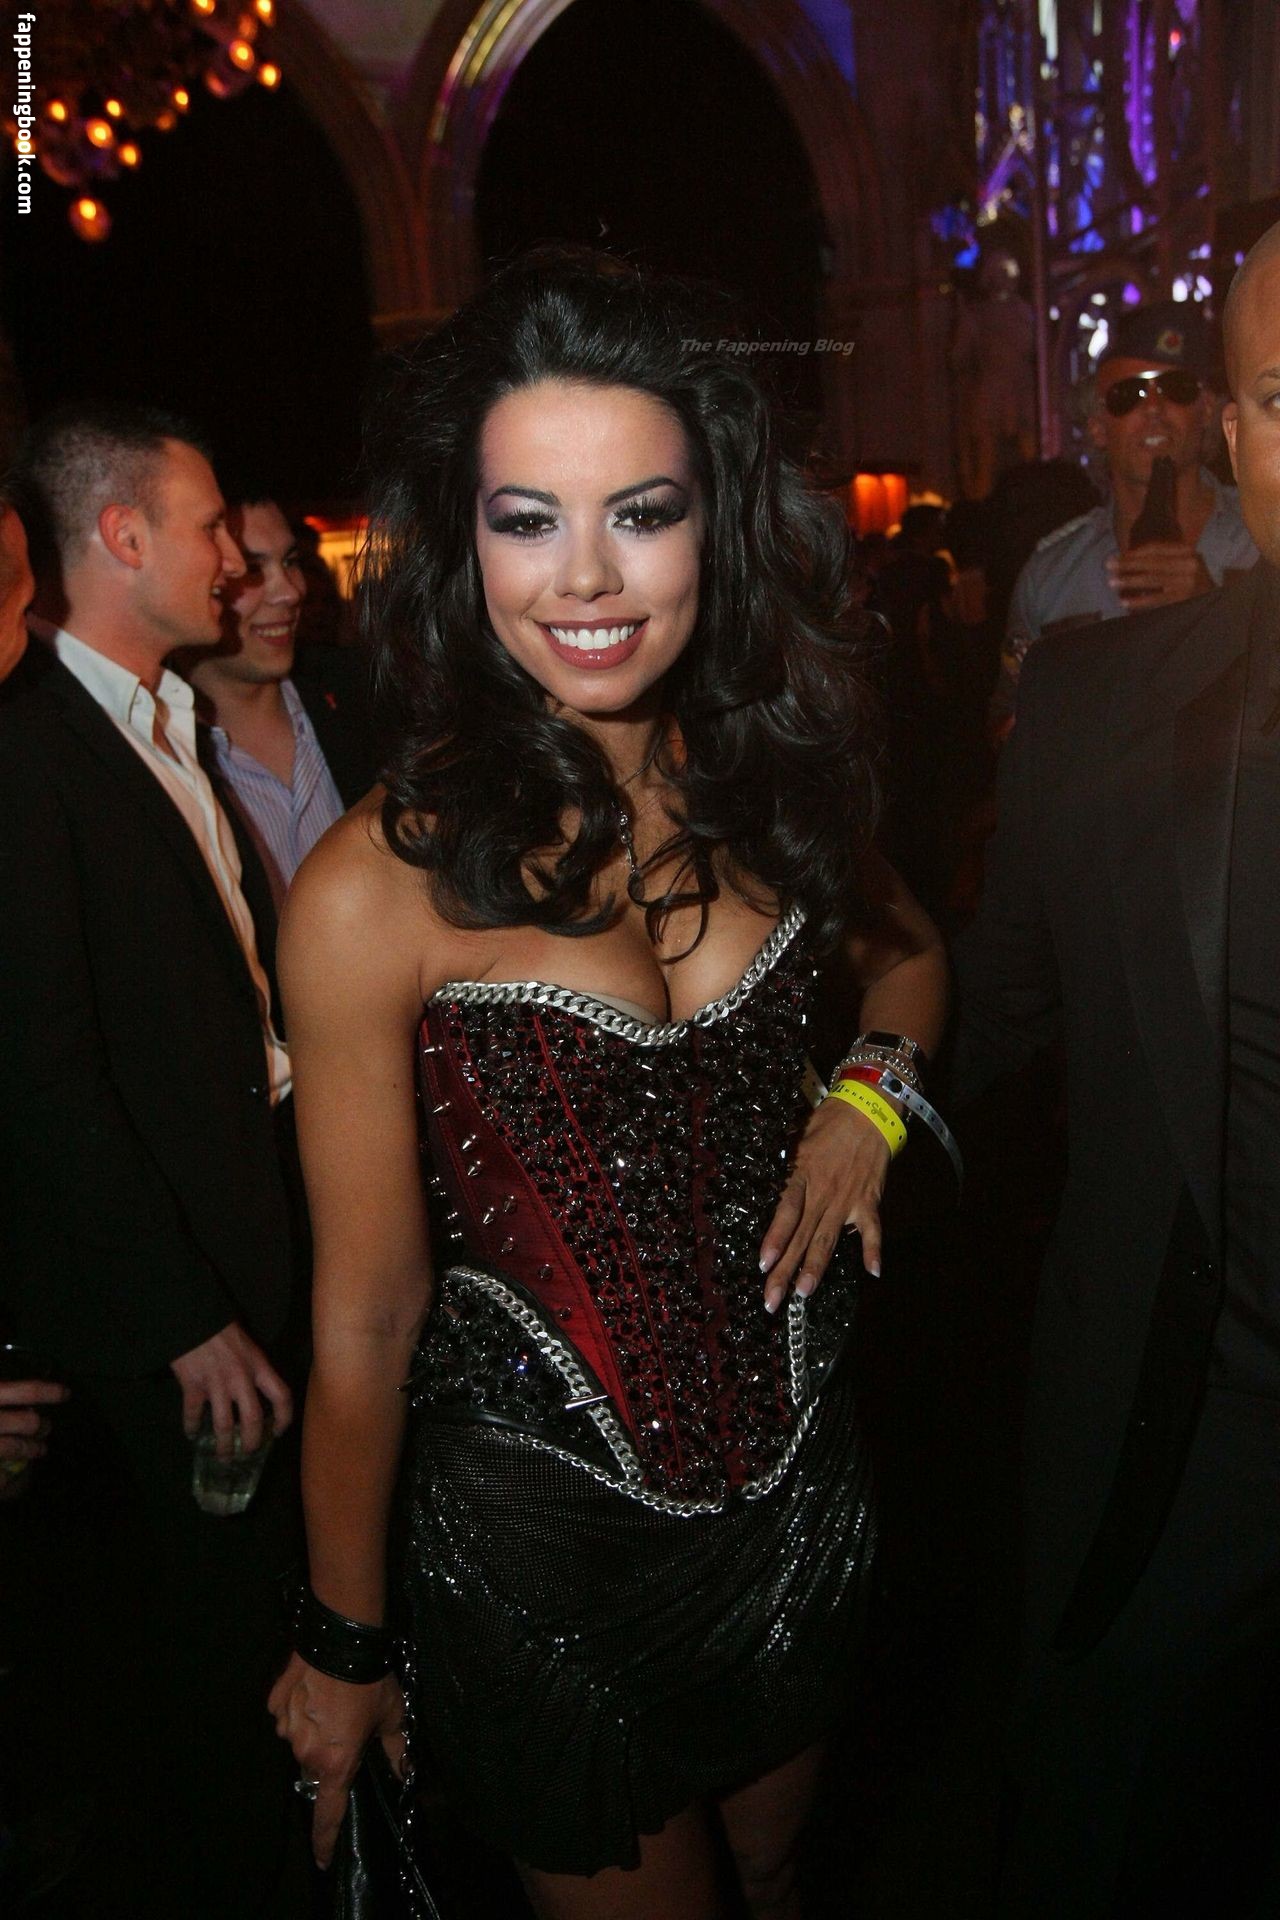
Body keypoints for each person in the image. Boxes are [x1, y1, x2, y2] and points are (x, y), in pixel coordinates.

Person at [270, 253, 949, 1920]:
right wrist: (344, 1640)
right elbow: (366, 1314)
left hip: (801, 1497)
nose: (586, 575)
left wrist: (865, 1103)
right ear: (465, 542)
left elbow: (915, 959)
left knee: (776, 1874)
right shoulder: (372, 890)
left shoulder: (769, 781)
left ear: (716, 526)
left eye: (641, 513)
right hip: (543, 1567)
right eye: (529, 520)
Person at [954, 221, 1280, 1916]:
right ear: (1238, 427)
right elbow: (982, 1020)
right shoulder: (1099, 704)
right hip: (1189, 1454)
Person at [0, 403, 309, 1916]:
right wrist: (184, 1312)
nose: (233, 563)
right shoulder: (29, 752)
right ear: (122, 539)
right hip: (166, 1315)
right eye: (204, 531)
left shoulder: (164, 718)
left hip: (250, 1245)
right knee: (203, 1682)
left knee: (257, 1642)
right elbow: (41, 1075)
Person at [989, 300, 1257, 733]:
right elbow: (1006, 725)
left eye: (1176, 389)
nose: (1153, 409)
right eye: (1128, 396)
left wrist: (1211, 616)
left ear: (1206, 410)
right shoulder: (1051, 576)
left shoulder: (1264, 541)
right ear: (1097, 425)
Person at [180, 488, 377, 914]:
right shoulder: (162, 748)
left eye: (290, 562)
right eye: (252, 570)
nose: (290, 591)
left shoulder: (365, 696)